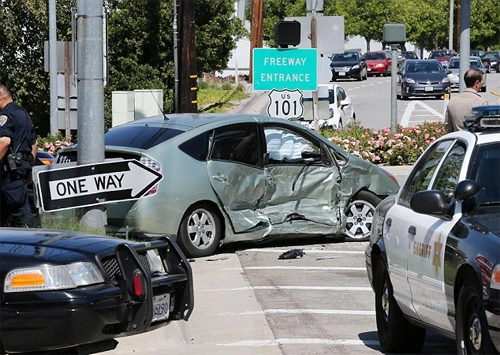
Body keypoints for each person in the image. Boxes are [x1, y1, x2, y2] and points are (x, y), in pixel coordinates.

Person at [0, 84, 38, 227]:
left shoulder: (6, 115)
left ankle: (34, 241)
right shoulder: (23, 113)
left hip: (11, 173)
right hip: (19, 170)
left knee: (19, 212)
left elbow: (4, 142)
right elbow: (34, 143)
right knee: (6, 212)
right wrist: (28, 168)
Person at [444, 68, 488, 132]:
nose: (482, 84)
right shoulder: (482, 103)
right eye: (482, 82)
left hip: (459, 140)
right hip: (476, 140)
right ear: (477, 83)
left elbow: (447, 127)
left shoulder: (452, 102)